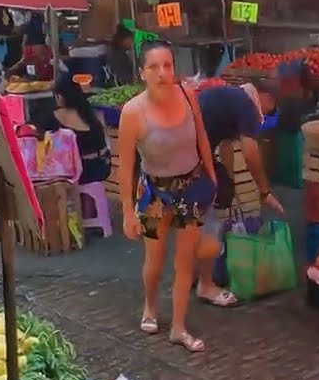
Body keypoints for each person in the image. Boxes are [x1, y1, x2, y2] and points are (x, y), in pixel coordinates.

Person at [118, 41, 216, 353]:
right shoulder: (132, 112)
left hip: (190, 186)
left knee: (185, 260)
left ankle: (178, 327)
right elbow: (126, 165)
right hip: (154, 191)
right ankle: (149, 306)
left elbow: (201, 136)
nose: (162, 73)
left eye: (168, 66)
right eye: (154, 67)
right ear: (142, 72)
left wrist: (211, 176)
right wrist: (128, 212)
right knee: (155, 260)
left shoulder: (188, 95)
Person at [193, 79, 284, 307]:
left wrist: (230, 181)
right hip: (189, 155)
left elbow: (225, 146)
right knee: (209, 216)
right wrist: (264, 191)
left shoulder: (234, 97)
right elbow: (250, 151)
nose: (266, 113)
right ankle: (206, 284)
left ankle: (197, 273)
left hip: (182, 148)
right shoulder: (248, 107)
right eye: (270, 107)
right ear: (266, 97)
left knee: (197, 216)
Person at [47, 77, 110, 185]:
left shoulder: (58, 115)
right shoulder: (89, 111)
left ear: (60, 97)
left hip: (82, 172)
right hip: (102, 167)